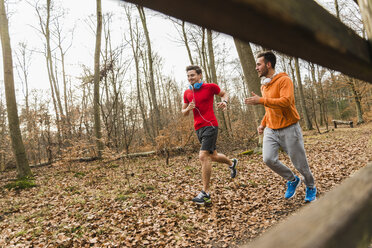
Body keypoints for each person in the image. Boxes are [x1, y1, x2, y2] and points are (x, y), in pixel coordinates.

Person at [245, 51, 317, 202]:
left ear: (268, 64)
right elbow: (269, 108)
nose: (256, 68)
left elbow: (286, 101)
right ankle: (292, 180)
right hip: (271, 129)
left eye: (259, 64)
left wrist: (261, 100)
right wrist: (263, 124)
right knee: (268, 159)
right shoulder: (264, 86)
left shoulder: (284, 80)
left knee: (300, 164)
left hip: (289, 127)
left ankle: (310, 186)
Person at [182, 65, 238, 205]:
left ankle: (205, 193)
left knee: (203, 156)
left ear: (200, 75)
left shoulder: (210, 87)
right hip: (198, 128)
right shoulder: (187, 93)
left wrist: (224, 102)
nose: (190, 78)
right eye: (188, 76)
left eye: (193, 75)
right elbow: (183, 112)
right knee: (212, 156)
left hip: (211, 125)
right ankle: (232, 163)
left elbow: (225, 94)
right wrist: (188, 108)